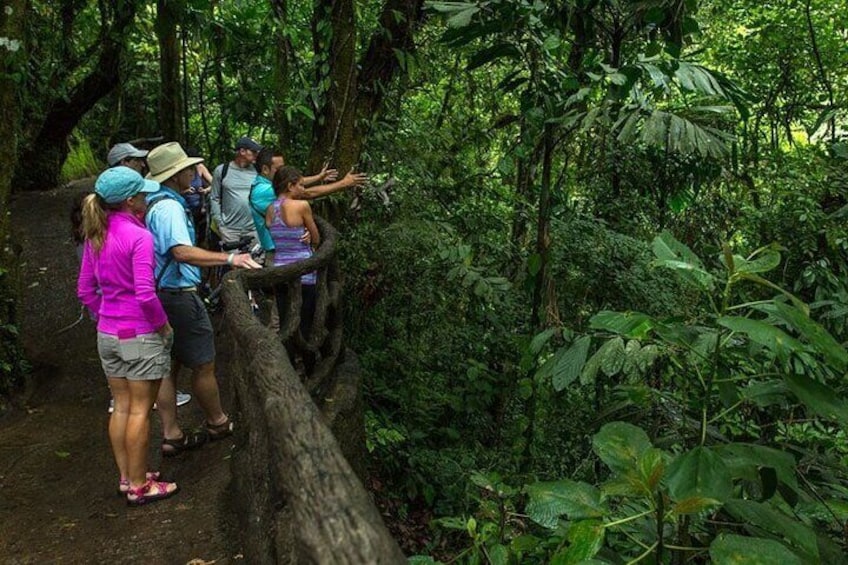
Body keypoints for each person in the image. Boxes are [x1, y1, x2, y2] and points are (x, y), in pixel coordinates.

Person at [144, 142, 261, 456]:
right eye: (187, 168)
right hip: (178, 294)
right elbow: (180, 252)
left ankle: (172, 434)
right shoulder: (168, 208)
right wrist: (229, 259)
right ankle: (217, 421)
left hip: (161, 292)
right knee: (204, 363)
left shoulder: (156, 202)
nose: (193, 172)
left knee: (170, 365)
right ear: (176, 174)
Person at [76, 166, 179, 506]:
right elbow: (146, 295)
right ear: (132, 200)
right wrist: (163, 326)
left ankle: (127, 477)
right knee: (139, 410)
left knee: (120, 407)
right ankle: (140, 485)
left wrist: (103, 317)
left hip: (108, 332)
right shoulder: (139, 237)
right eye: (143, 194)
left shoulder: (97, 234)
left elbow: (85, 290)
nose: (147, 199)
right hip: (139, 333)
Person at [248, 148, 368, 264]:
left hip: (290, 247)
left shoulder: (270, 186)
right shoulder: (262, 190)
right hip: (278, 250)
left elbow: (294, 183)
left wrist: (318, 177)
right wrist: (343, 183)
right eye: (279, 169)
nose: (282, 172)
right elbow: (307, 193)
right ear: (265, 169)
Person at [267, 166, 321, 338]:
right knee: (305, 321)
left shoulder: (270, 209)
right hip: (303, 270)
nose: (303, 190)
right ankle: (304, 360)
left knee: (284, 320)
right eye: (301, 185)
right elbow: (316, 239)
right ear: (290, 186)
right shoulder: (302, 206)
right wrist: (308, 232)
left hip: (280, 270)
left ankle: (287, 356)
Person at [209, 136, 263, 246]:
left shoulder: (258, 171)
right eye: (253, 151)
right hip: (230, 229)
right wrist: (220, 224)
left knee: (256, 262)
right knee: (233, 261)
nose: (256, 154)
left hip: (253, 229)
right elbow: (214, 197)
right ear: (242, 151)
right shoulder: (222, 170)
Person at [184, 147, 213, 248]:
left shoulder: (200, 167)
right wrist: (185, 191)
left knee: (200, 232)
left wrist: (206, 190)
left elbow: (214, 183)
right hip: (185, 205)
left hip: (199, 206)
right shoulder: (181, 170)